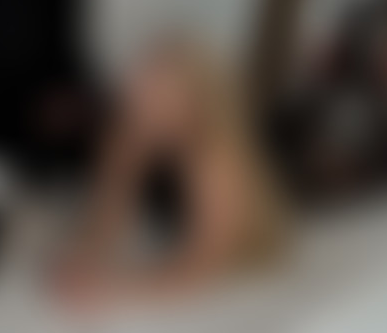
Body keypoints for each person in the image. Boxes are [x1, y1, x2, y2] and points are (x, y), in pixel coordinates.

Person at [53, 35, 284, 309]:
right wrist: (86, 258)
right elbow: (107, 211)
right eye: (141, 88)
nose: (142, 101)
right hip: (176, 237)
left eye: (162, 93)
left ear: (195, 101)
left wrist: (114, 288)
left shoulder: (215, 159)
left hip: (243, 263)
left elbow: (203, 264)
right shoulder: (132, 132)